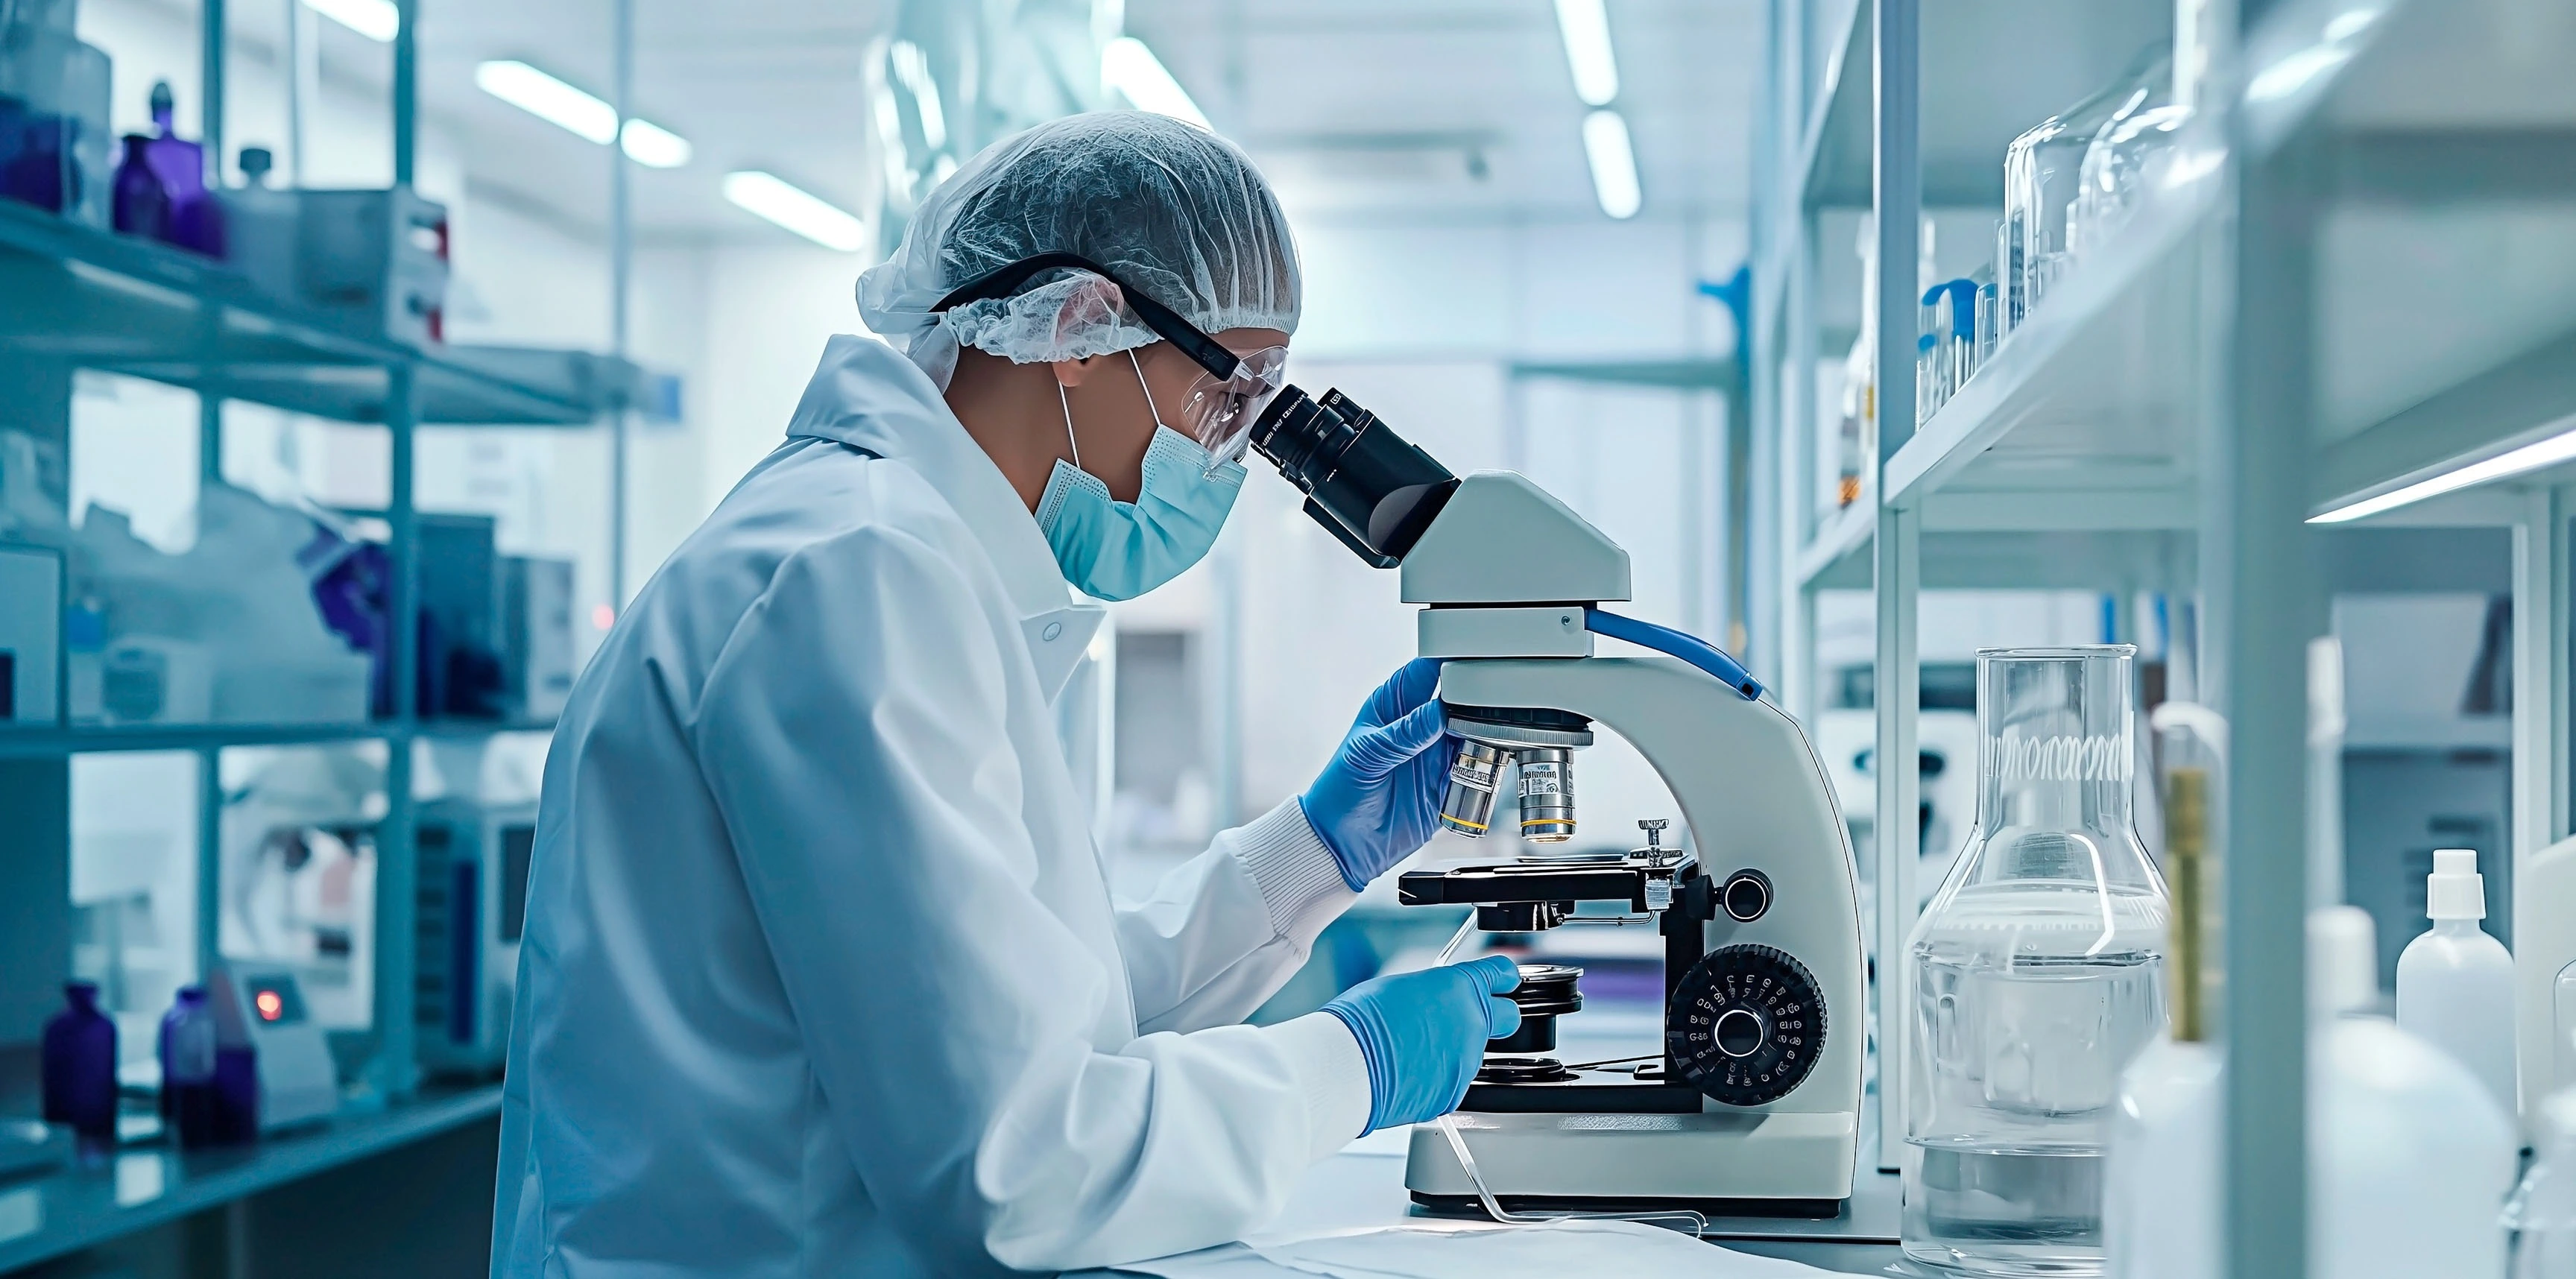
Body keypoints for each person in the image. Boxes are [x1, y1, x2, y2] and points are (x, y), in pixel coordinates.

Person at [491, 111, 1524, 1278]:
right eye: (1231, 397)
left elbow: (1028, 1013)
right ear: (1079, 330)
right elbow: (1018, 1165)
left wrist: (1313, 854)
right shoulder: (859, 577)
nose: (1229, 457)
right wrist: (1355, 1066)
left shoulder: (899, 557)